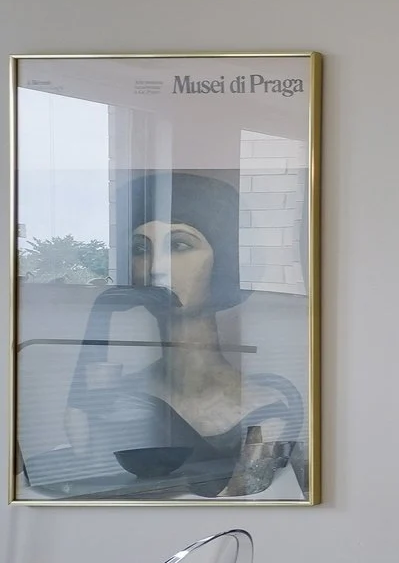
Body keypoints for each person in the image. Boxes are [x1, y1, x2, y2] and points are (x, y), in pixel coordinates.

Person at [68, 172, 302, 494]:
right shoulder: (122, 395)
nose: (156, 268)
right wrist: (101, 313)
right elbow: (80, 449)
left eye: (179, 245)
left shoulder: (268, 404)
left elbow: (242, 501)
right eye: (140, 248)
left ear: (224, 261)